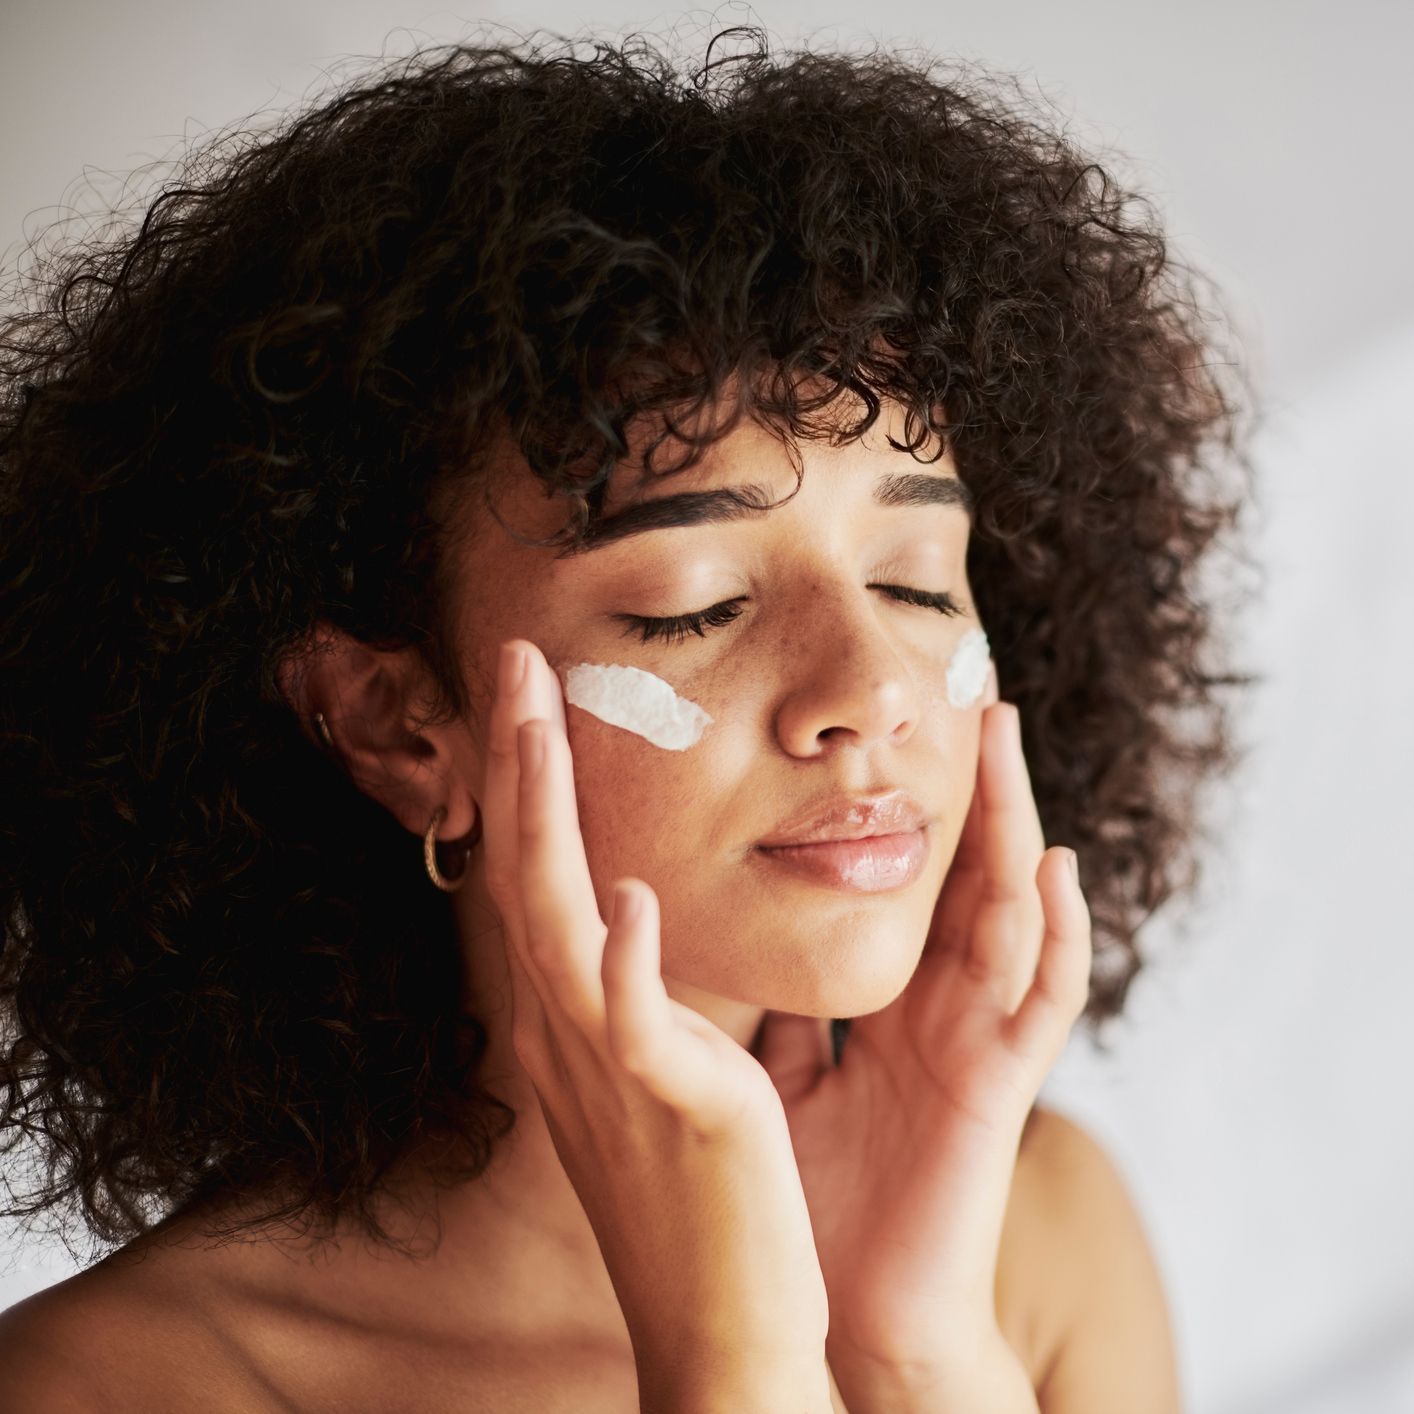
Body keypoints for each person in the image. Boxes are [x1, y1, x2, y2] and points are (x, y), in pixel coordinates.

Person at [0, 24, 1256, 1411]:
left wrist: (914, 1346)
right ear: (399, 726)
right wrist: (735, 1363)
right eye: (693, 606)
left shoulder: (1034, 1239)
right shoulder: (125, 1383)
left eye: (912, 579)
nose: (871, 692)